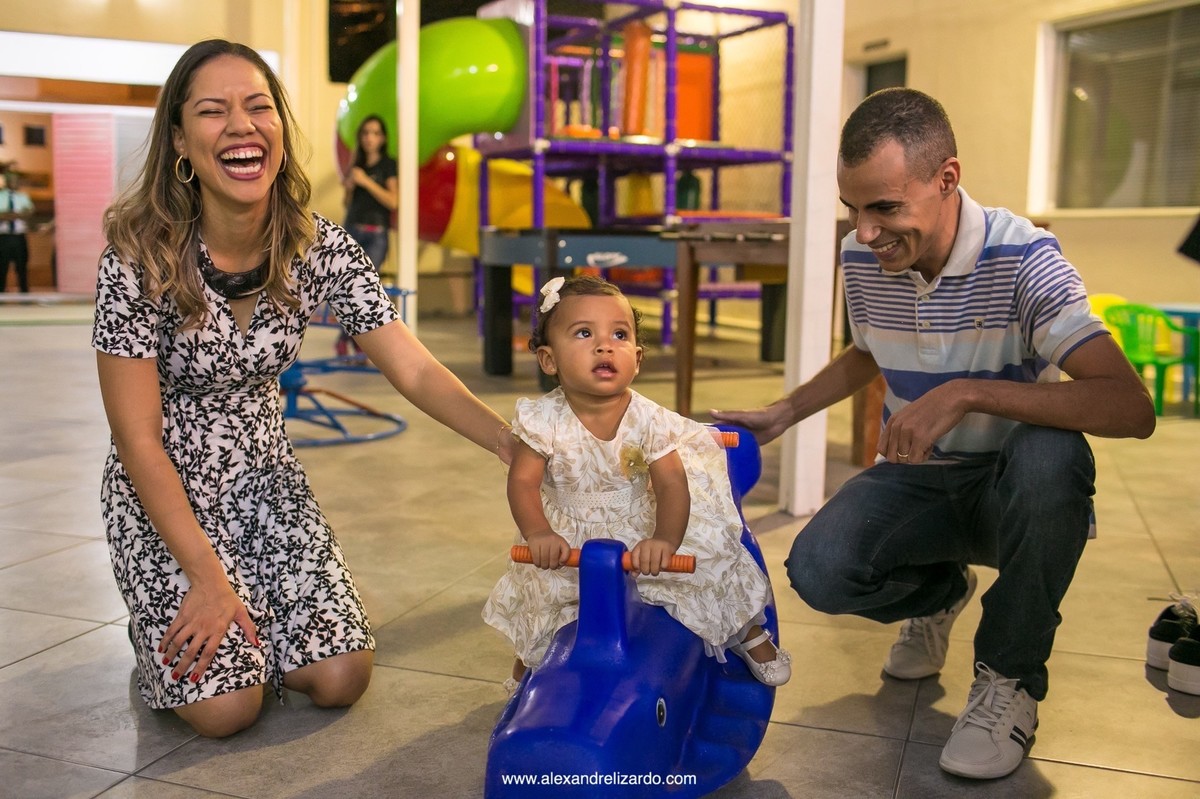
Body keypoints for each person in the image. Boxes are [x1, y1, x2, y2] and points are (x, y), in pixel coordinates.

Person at [712, 88, 1155, 780]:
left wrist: (965, 392)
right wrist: (786, 412)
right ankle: (942, 593)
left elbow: (1131, 406)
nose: (865, 232)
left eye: (885, 208)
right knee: (819, 570)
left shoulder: (1025, 259)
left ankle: (1009, 677)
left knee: (1051, 455)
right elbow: (868, 349)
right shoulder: (864, 257)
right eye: (852, 208)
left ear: (947, 178)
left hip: (1013, 492)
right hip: (921, 478)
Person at [92, 39, 515, 739]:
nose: (242, 125)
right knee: (228, 709)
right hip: (164, 493)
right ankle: (162, 631)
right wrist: (207, 579)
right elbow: (137, 438)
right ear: (180, 141)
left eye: (259, 106)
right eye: (213, 111)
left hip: (267, 483)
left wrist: (506, 440)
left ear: (280, 131)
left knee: (341, 676)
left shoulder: (318, 246)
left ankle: (261, 617)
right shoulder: (137, 257)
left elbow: (411, 367)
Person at [482, 275, 791, 691]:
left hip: (638, 523)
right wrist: (538, 533)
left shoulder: (649, 419)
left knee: (709, 566)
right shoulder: (541, 420)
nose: (605, 346)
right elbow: (522, 482)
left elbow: (671, 485)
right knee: (543, 596)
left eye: (620, 335)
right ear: (549, 360)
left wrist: (664, 539)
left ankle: (745, 631)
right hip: (567, 532)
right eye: (584, 333)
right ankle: (531, 661)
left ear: (638, 358)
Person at [336, 114, 397, 361]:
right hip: (352, 229)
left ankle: (353, 339)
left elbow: (393, 201)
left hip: (376, 234)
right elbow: (347, 203)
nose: (370, 138)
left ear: (382, 138)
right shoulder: (356, 164)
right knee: (346, 287)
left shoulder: (388, 165)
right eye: (365, 133)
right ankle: (349, 339)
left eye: (375, 133)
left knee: (366, 287)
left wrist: (366, 182)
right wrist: (350, 186)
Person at [0, 170, 35, 293]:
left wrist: (8, 215)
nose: (16, 183)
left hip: (19, 236)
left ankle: (24, 293)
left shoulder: (23, 197)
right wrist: (17, 214)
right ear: (7, 181)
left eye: (17, 180)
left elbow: (29, 213)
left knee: (21, 266)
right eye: (13, 180)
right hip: (3, 237)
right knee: (2, 267)